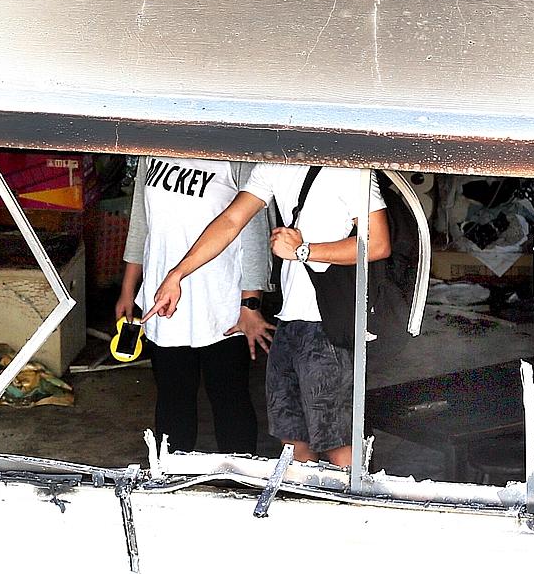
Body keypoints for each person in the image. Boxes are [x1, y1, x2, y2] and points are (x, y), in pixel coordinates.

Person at [148, 163, 389, 467]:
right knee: (294, 443)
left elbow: (378, 243)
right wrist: (178, 274)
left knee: (339, 444)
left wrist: (304, 251)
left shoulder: (346, 168)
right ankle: (305, 496)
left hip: (330, 323)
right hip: (290, 321)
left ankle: (354, 499)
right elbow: (231, 220)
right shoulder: (274, 165)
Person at [116, 156, 274, 454]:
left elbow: (254, 231)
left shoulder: (235, 156)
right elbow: (141, 222)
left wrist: (250, 303)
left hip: (222, 304)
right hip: (163, 303)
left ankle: (238, 477)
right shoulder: (151, 149)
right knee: (172, 398)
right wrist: (128, 288)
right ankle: (171, 477)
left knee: (229, 398)